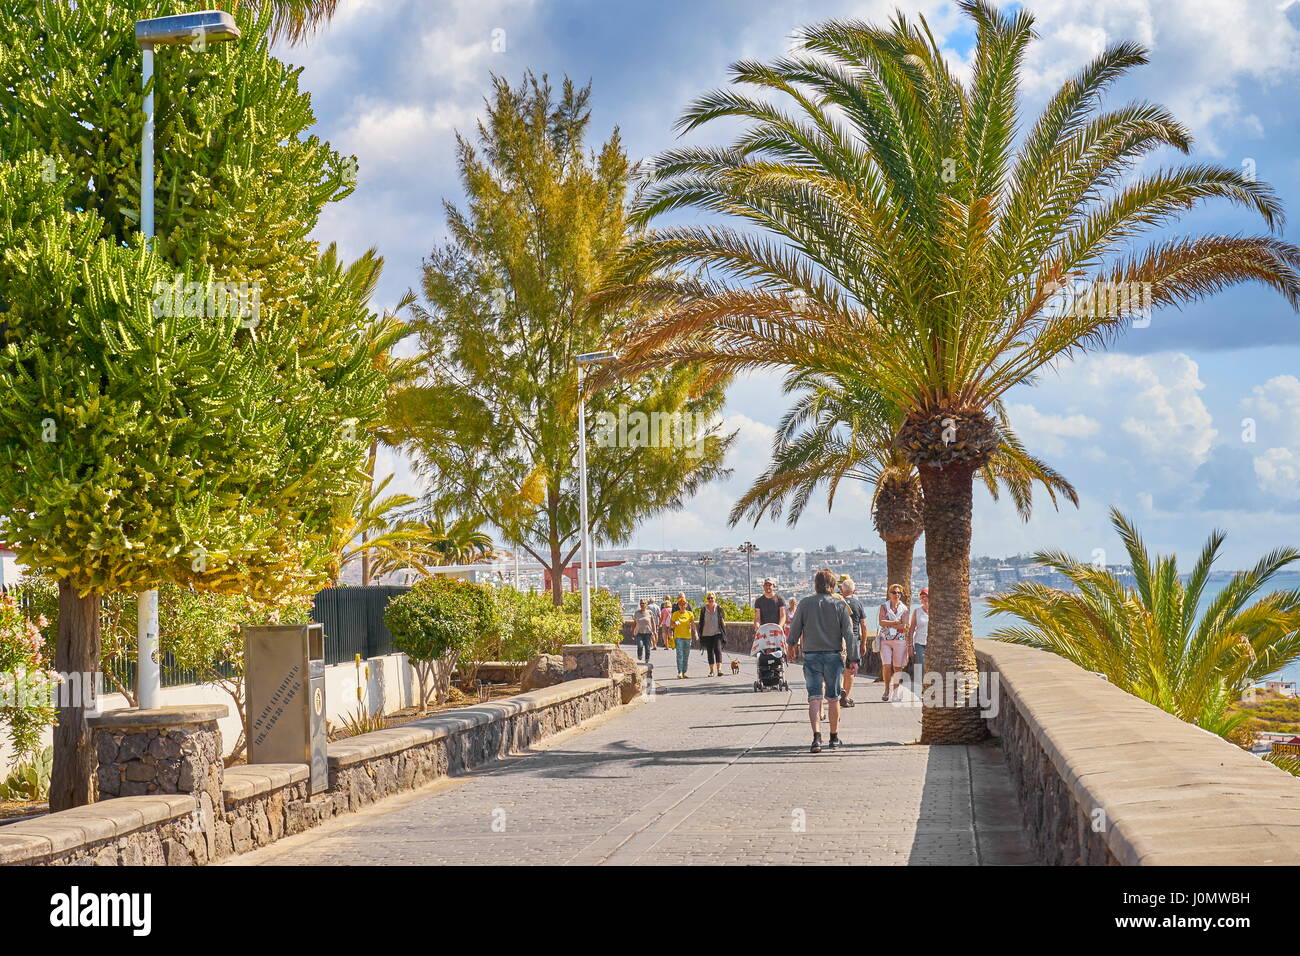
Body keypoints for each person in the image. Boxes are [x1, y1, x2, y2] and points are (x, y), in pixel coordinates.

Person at [789, 568, 858, 753]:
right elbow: (849, 634)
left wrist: (790, 647)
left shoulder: (805, 603)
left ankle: (816, 738)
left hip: (811, 656)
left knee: (814, 698)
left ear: (816, 584)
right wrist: (853, 658)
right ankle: (834, 738)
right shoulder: (839, 604)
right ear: (833, 584)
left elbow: (795, 628)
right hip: (833, 656)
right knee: (834, 698)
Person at [837, 576, 868, 708]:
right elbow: (864, 625)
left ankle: (839, 693)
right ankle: (846, 696)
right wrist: (864, 643)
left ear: (842, 590)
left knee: (839, 668)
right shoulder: (857, 604)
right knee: (851, 670)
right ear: (854, 590)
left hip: (839, 639)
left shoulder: (837, 602)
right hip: (854, 639)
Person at [878, 584, 910, 702]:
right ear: (889, 594)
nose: (896, 594)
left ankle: (896, 692)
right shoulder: (884, 606)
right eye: (894, 592)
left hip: (899, 640)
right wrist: (896, 622)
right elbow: (881, 622)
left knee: (897, 667)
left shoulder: (904, 609)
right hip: (885, 640)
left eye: (899, 593)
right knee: (886, 665)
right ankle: (887, 690)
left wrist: (890, 623)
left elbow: (905, 625)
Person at [698, 591, 727, 676]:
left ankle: (719, 670)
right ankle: (711, 671)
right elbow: (701, 622)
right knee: (710, 652)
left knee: (718, 650)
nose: (710, 599)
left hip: (717, 632)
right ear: (707, 599)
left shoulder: (719, 608)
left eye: (712, 598)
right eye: (709, 598)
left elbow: (722, 619)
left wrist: (723, 626)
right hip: (706, 633)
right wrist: (700, 633)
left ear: (715, 598)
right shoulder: (703, 610)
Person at [907, 587, 929, 689]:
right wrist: (910, 645)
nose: (924, 599)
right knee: (921, 665)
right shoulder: (917, 611)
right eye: (922, 597)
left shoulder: (936, 612)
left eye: (926, 596)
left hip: (932, 643)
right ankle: (922, 688)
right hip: (919, 643)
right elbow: (911, 629)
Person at [670, 593, 696, 678]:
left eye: (684, 604)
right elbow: (671, 625)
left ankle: (684, 672)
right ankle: (680, 672)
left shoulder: (690, 614)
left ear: (686, 605)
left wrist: (695, 633)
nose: (682, 606)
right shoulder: (675, 614)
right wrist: (675, 624)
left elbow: (692, 624)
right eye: (681, 604)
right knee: (679, 654)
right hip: (678, 637)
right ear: (679, 605)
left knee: (686, 655)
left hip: (687, 637)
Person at [633, 599, 656, 664]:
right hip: (639, 632)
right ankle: (639, 655)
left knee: (647, 647)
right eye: (641, 603)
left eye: (643, 603)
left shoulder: (649, 612)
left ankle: (647, 658)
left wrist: (654, 631)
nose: (642, 605)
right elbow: (634, 623)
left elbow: (653, 622)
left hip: (648, 632)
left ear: (646, 605)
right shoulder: (637, 613)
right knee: (640, 645)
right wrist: (633, 632)